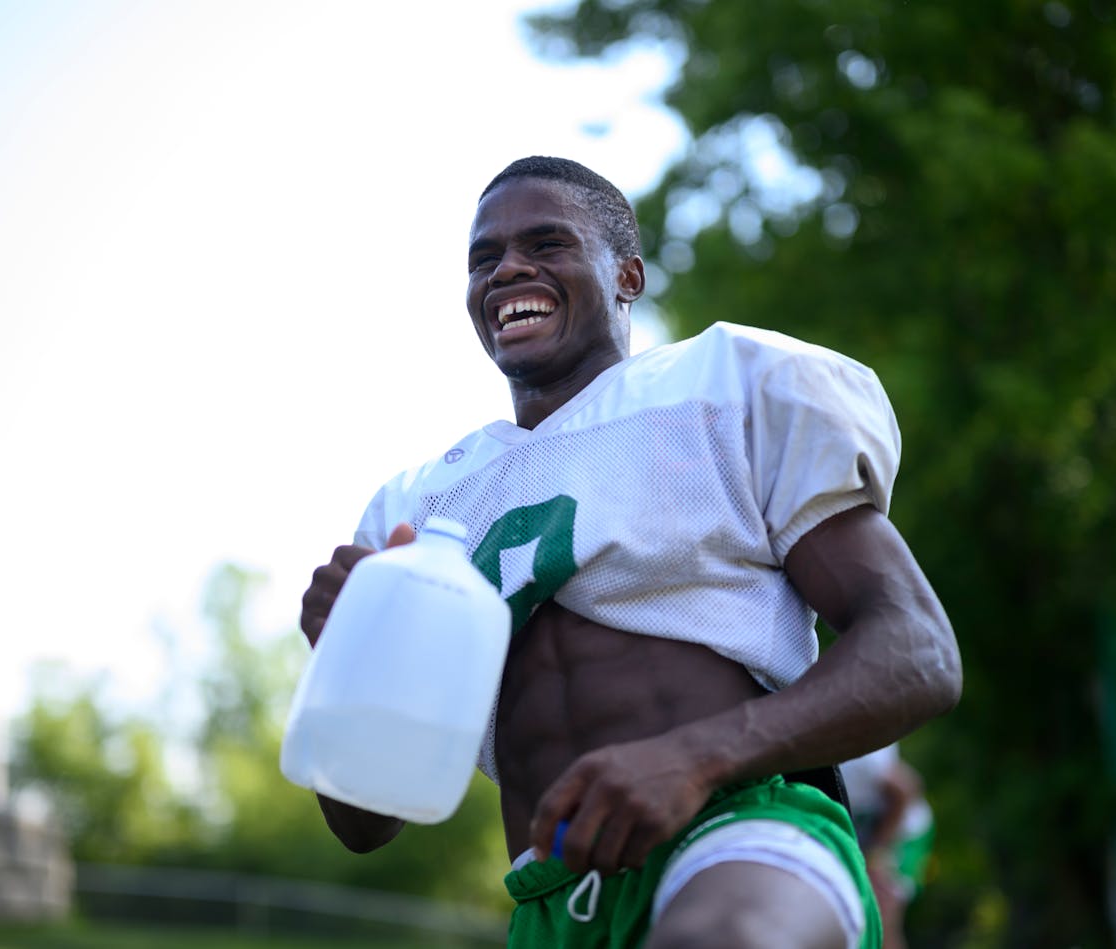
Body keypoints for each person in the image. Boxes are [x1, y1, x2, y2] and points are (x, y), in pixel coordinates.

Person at [298, 156, 961, 949]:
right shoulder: (418, 508)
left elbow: (919, 651)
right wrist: (350, 654)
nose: (509, 267)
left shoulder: (723, 386)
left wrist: (694, 758)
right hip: (552, 899)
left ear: (628, 275)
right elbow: (364, 822)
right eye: (485, 257)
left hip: (740, 828)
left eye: (547, 244)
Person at [839, 744, 935, 949]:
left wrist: (877, 854)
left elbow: (906, 789)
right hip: (863, 828)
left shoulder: (862, 759)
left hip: (904, 833)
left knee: (882, 909)